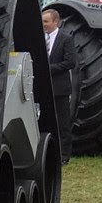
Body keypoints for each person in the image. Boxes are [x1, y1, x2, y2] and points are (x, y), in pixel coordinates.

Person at [43, 9, 78, 164]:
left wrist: (49, 69)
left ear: (55, 22)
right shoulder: (39, 38)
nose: (43, 25)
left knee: (62, 124)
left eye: (46, 21)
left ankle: (64, 156)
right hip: (42, 88)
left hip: (59, 89)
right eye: (42, 21)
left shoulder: (66, 39)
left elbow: (70, 62)